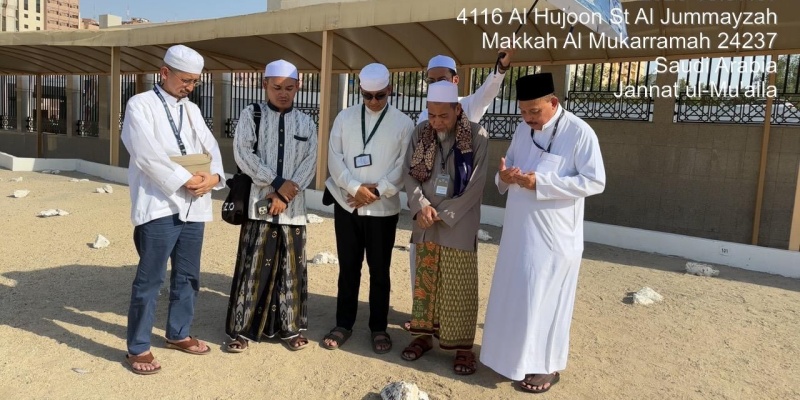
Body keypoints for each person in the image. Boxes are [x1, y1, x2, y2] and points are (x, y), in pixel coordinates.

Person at [480, 73, 606, 393]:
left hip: (555, 240)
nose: (527, 118)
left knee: (547, 303)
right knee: (518, 299)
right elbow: (506, 174)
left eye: (534, 111)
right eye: (522, 111)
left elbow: (595, 182)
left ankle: (547, 367)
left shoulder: (580, 133)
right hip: (518, 235)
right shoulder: (523, 129)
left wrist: (542, 184)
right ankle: (511, 360)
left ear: (553, 103)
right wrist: (506, 177)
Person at [121, 44, 225, 375]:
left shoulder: (192, 110)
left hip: (194, 204)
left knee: (189, 275)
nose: (190, 87)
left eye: (195, 82)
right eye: (185, 80)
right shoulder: (140, 105)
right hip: (159, 203)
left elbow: (211, 147)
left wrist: (215, 177)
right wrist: (183, 179)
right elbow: (145, 154)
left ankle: (178, 333)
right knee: (150, 279)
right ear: (164, 73)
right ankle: (138, 347)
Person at [402, 49, 514, 331]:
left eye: (441, 78)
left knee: (456, 277)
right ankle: (424, 324)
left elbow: (488, 92)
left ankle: (453, 334)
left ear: (455, 80)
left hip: (456, 213)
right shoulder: (422, 118)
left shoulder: (468, 108)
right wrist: (420, 205)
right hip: (425, 208)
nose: (437, 120)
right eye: (430, 80)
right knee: (422, 269)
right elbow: (411, 168)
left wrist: (500, 70)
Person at [225, 59, 318, 352]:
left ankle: (289, 329)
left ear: (298, 87)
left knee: (290, 271)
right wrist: (276, 181)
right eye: (277, 87)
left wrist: (285, 194)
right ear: (265, 84)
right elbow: (243, 154)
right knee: (253, 268)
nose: (283, 93)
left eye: (289, 88)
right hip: (259, 207)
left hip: (292, 212)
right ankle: (241, 331)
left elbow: (310, 162)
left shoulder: (306, 122)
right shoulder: (251, 115)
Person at [321, 63, 414, 354]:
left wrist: (376, 190)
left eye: (380, 96)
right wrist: (353, 188)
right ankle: (343, 324)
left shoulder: (403, 123)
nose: (374, 101)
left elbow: (404, 164)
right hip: (347, 205)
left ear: (390, 91)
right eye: (368, 96)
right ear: (360, 91)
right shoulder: (345, 117)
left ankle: (378, 328)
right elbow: (334, 157)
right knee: (348, 268)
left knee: (380, 271)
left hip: (383, 209)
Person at [401, 81, 489, 375]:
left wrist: (444, 212)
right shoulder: (420, 133)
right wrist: (420, 206)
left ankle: (463, 349)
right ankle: (422, 337)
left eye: (444, 116)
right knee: (425, 286)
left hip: (458, 224)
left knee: (458, 287)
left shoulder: (477, 136)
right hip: (425, 222)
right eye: (432, 115)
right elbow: (409, 175)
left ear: (458, 109)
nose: (437, 122)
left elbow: (476, 185)